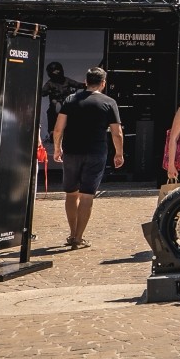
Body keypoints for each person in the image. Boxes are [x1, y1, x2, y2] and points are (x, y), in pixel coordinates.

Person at [51, 66, 124, 250]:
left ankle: (72, 232)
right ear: (103, 83)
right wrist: (119, 153)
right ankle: (79, 237)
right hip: (96, 152)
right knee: (87, 195)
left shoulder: (70, 99)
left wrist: (57, 148)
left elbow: (58, 128)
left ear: (85, 82)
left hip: (72, 151)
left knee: (70, 193)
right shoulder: (109, 102)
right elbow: (117, 133)